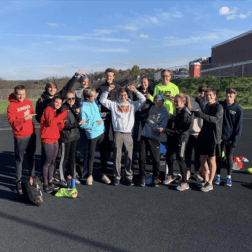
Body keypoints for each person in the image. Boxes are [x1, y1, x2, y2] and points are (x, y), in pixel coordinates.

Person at [99, 85, 146, 186]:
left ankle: (129, 176)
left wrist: (136, 91)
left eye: (125, 95)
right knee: (117, 156)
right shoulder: (114, 104)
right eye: (121, 95)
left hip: (129, 133)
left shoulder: (132, 104)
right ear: (118, 96)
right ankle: (117, 176)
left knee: (129, 156)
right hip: (118, 133)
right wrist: (108, 90)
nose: (123, 97)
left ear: (127, 95)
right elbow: (102, 100)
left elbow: (143, 100)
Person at [157, 94, 192, 191]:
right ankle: (171, 174)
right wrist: (175, 100)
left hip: (181, 138)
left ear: (183, 102)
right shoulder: (180, 109)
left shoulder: (185, 114)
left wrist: (164, 130)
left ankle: (185, 182)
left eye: (177, 101)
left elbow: (179, 131)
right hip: (175, 137)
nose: (175, 103)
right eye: (174, 101)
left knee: (180, 159)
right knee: (168, 154)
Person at [7, 85, 37, 195]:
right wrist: (24, 119)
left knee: (31, 157)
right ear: (15, 94)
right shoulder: (11, 106)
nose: (21, 96)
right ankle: (18, 181)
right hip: (20, 136)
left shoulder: (29, 102)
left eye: (23, 94)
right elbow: (12, 122)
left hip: (31, 134)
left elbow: (31, 117)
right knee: (19, 159)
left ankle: (32, 178)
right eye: (19, 94)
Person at [194, 88, 224, 192]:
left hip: (214, 138)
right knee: (202, 159)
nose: (209, 97)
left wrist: (202, 115)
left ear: (215, 96)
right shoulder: (206, 106)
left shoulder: (219, 107)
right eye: (207, 95)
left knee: (212, 160)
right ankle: (206, 179)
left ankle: (210, 183)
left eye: (211, 95)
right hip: (204, 137)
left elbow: (215, 120)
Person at [79, 88, 110, 186]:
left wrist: (102, 115)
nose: (95, 97)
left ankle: (104, 174)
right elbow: (82, 125)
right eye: (93, 96)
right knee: (91, 156)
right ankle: (90, 175)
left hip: (102, 132)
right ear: (87, 97)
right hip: (92, 135)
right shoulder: (83, 108)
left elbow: (96, 114)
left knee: (103, 154)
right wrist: (96, 124)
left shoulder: (93, 103)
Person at [214, 87, 243, 187]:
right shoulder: (220, 105)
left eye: (230, 95)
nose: (228, 97)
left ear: (235, 95)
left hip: (230, 138)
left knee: (229, 157)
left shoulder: (238, 109)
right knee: (218, 156)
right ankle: (217, 175)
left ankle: (228, 178)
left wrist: (235, 140)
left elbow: (238, 127)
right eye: (227, 95)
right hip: (219, 137)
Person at [40, 95, 68, 193]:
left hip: (55, 138)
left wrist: (61, 122)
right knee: (47, 161)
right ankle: (45, 183)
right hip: (47, 138)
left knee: (53, 161)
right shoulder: (48, 109)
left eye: (60, 103)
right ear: (52, 101)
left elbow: (58, 127)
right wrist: (63, 115)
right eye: (57, 102)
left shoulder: (55, 112)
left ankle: (50, 180)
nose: (58, 104)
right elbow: (51, 123)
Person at [139, 94, 168, 187]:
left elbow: (162, 126)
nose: (157, 102)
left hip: (154, 137)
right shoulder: (151, 108)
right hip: (144, 135)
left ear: (163, 102)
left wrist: (153, 124)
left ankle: (155, 177)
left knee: (155, 160)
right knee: (141, 158)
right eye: (156, 100)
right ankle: (142, 177)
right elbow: (148, 117)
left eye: (160, 100)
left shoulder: (164, 112)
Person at [58, 92, 85, 187]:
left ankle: (73, 176)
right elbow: (64, 125)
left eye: (73, 98)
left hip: (74, 136)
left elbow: (74, 120)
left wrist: (77, 114)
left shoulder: (73, 107)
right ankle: (62, 178)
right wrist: (78, 124)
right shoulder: (63, 109)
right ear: (65, 99)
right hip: (66, 137)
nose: (71, 100)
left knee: (72, 158)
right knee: (63, 159)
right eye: (69, 99)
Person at [96, 68, 121, 161]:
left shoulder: (118, 87)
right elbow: (98, 101)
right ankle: (106, 155)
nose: (109, 77)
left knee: (116, 135)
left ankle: (115, 155)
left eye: (111, 76)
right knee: (105, 135)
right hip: (104, 115)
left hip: (115, 115)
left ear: (113, 76)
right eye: (107, 76)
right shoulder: (101, 87)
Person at [185, 85, 209, 182]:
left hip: (200, 133)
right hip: (190, 132)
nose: (202, 94)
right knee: (188, 153)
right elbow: (186, 106)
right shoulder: (193, 101)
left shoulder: (208, 104)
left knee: (198, 155)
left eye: (204, 92)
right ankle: (187, 171)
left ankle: (196, 172)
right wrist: (186, 98)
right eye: (201, 91)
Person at [132, 77, 154, 161]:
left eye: (145, 82)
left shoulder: (151, 91)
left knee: (147, 135)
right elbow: (133, 101)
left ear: (148, 82)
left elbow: (154, 103)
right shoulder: (136, 91)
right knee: (135, 134)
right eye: (142, 82)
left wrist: (150, 97)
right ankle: (134, 153)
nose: (143, 84)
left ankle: (148, 153)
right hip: (137, 114)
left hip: (147, 115)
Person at [74, 75, 90, 178]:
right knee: (79, 143)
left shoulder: (91, 91)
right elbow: (74, 104)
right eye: (83, 81)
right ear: (80, 82)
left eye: (86, 81)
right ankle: (78, 166)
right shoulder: (76, 92)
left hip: (89, 121)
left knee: (87, 143)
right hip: (80, 120)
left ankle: (87, 166)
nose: (85, 83)